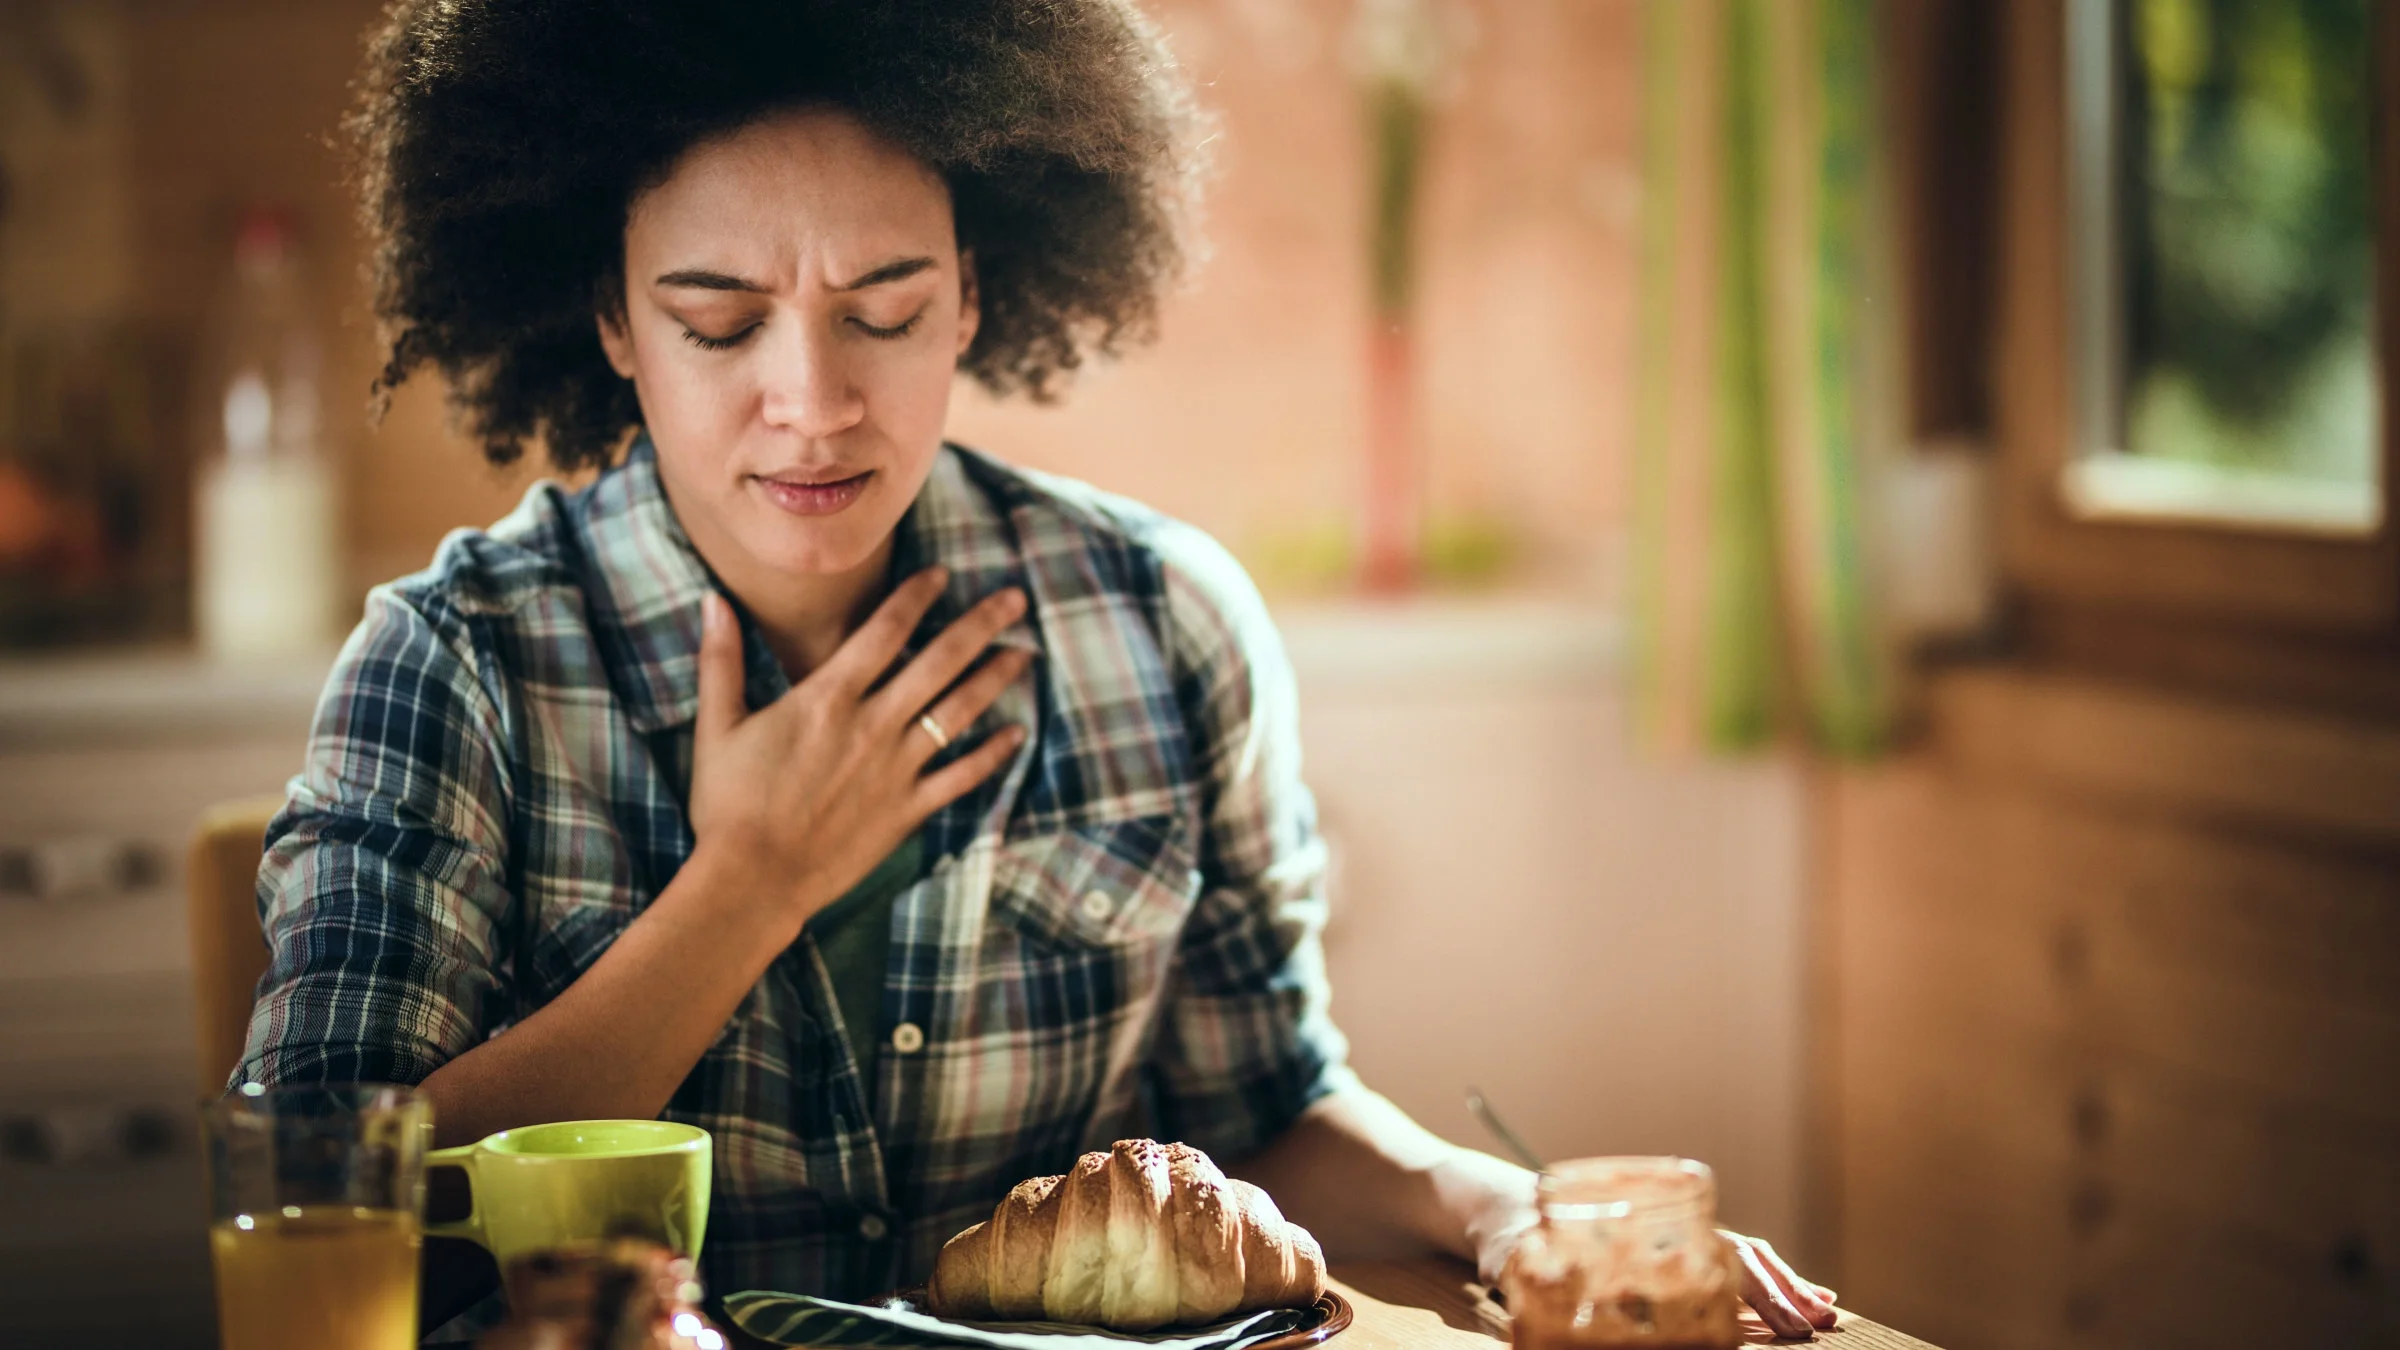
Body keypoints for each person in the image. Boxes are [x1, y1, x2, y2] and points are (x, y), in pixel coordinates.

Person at [237, 0, 1837, 1339]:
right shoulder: (458, 663)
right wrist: (748, 885)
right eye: (719, 321)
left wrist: (1488, 1200)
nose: (812, 398)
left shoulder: (1159, 617)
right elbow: (335, 1196)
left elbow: (1268, 1106)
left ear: (978, 296)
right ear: (607, 316)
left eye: (888, 308)